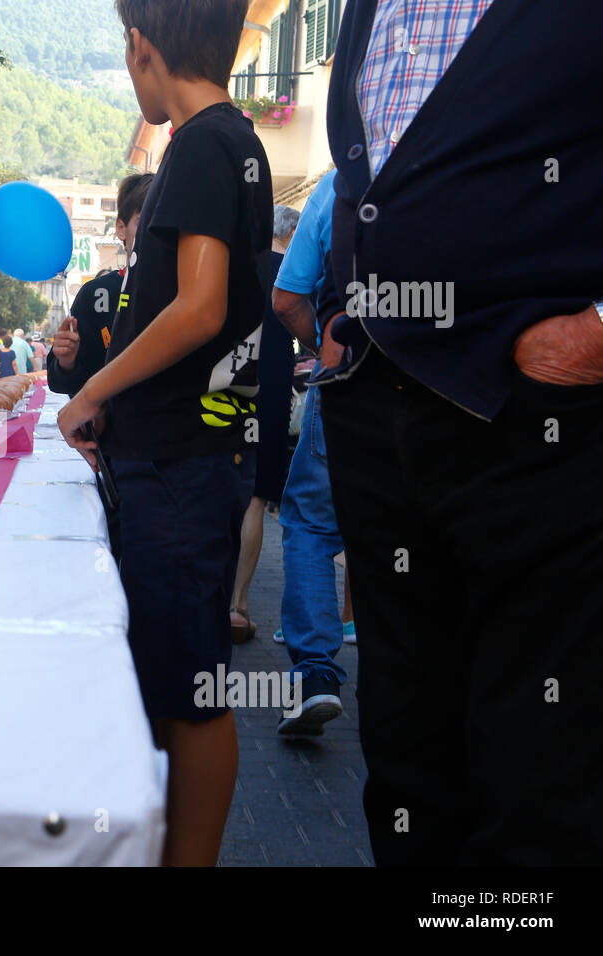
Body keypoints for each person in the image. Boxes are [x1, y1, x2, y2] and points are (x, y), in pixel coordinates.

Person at [313, 0, 603, 866]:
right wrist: (341, 314)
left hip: (541, 422)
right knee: (408, 760)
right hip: (379, 407)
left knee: (536, 777)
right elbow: (373, 174)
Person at [57, 0, 269, 867]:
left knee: (192, 693)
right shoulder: (228, 141)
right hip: (189, 451)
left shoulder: (203, 145)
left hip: (183, 461)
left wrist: (90, 393)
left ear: (144, 47)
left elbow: (199, 306)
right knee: (184, 680)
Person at [267, 171, 355, 739]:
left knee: (313, 525)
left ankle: (316, 676)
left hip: (351, 371)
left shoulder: (342, 179)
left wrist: (319, 344)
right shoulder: (488, 150)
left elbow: (287, 295)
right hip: (463, 386)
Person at [227, 204, 298, 642]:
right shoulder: (293, 273)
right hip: (271, 387)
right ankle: (238, 605)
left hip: (229, 384)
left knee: (220, 485)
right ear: (289, 238)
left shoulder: (238, 267)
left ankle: (210, 597)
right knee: (255, 499)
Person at [48, 172, 154, 396]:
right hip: (107, 429)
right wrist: (67, 361)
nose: (154, 232)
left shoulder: (188, 297)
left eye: (161, 221)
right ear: (121, 228)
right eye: (143, 221)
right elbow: (59, 383)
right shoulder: (94, 294)